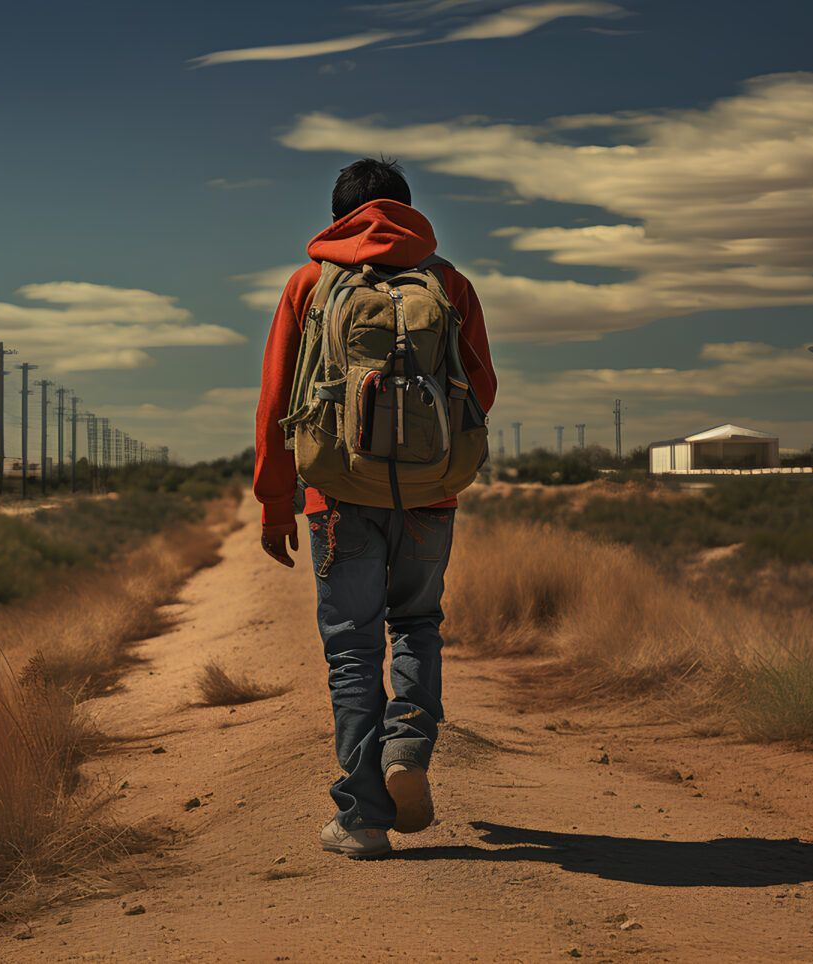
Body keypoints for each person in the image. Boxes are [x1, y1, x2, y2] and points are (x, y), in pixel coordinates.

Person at [252, 158, 497, 858]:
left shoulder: (310, 285)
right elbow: (480, 386)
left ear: (337, 216)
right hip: (431, 493)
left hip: (338, 495)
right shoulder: (447, 283)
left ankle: (363, 818)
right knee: (417, 623)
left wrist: (276, 505)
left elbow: (276, 405)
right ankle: (408, 751)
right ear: (409, 209)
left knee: (353, 649)